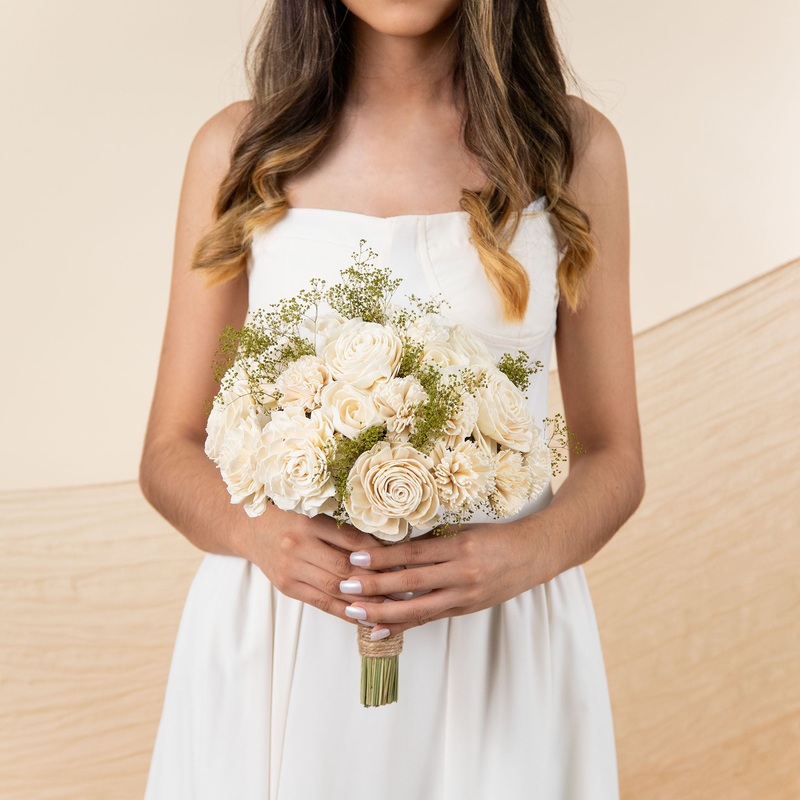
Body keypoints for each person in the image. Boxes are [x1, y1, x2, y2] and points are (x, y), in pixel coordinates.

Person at [139, 1, 645, 797]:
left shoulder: (573, 151)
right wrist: (263, 538)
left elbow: (615, 456)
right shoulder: (240, 150)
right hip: (283, 634)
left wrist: (524, 555)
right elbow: (169, 450)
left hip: (494, 636)